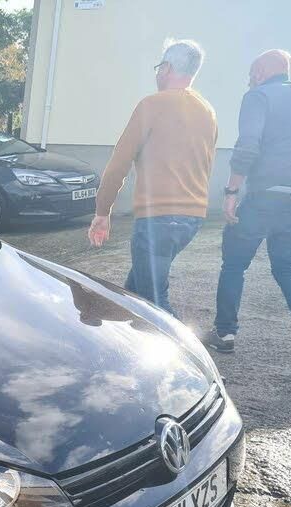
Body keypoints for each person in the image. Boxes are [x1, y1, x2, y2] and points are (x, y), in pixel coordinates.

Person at [203, 49, 291, 365]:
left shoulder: (258, 96)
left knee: (234, 263)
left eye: (251, 74)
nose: (249, 80)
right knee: (287, 264)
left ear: (261, 72)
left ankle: (225, 333)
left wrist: (231, 191)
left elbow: (248, 146)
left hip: (267, 194)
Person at [89, 39, 217, 317]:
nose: (157, 73)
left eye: (159, 67)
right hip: (192, 218)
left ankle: (186, 345)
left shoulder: (152, 104)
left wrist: (102, 211)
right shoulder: (207, 111)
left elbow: (119, 163)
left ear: (167, 68)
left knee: (154, 306)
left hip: (158, 219)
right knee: (133, 295)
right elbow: (206, 163)